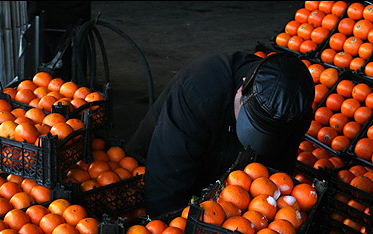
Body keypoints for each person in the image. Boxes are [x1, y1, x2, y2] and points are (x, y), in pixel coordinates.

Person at [125, 51, 315, 217]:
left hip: (226, 200)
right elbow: (165, 181)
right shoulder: (199, 90)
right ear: (242, 88)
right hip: (157, 160)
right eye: (250, 124)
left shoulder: (296, 113)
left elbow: (275, 174)